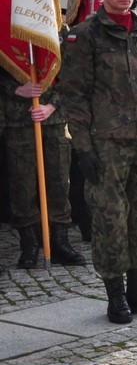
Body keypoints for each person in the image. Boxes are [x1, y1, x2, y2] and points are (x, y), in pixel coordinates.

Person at [60, 0, 137, 323]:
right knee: (110, 220)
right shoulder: (85, 35)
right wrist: (83, 148)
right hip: (106, 145)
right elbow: (73, 97)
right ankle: (116, 294)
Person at [1, 68, 86, 269]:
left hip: (54, 121)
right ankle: (29, 244)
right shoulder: (7, 38)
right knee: (23, 185)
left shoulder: (60, 37)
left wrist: (52, 105)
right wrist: (16, 89)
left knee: (59, 183)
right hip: (19, 120)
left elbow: (74, 76)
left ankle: (59, 241)